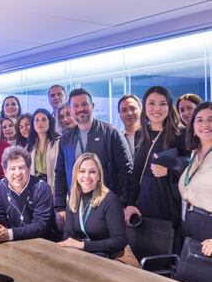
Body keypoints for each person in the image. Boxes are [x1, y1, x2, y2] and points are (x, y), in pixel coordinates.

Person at [54, 88, 133, 227]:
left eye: (84, 104)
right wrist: (60, 206)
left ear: (92, 106)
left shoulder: (111, 133)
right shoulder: (66, 139)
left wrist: (121, 203)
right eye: (75, 106)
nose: (80, 109)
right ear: (71, 110)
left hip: (106, 205)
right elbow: (60, 173)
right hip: (76, 205)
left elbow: (126, 170)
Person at [125, 86, 190, 253]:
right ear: (144, 107)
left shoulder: (180, 134)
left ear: (169, 107)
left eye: (162, 104)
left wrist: (170, 170)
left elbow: (191, 167)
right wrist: (130, 203)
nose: (157, 109)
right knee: (144, 253)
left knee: (167, 254)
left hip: (168, 204)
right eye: (151, 103)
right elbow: (136, 172)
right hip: (144, 205)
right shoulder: (141, 134)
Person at [58, 153, 128, 256]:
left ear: (99, 175)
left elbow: (119, 241)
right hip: (81, 255)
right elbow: (68, 235)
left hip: (107, 258)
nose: (86, 176)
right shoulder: (73, 196)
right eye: (82, 171)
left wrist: (83, 245)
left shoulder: (110, 200)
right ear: (76, 174)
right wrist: (79, 247)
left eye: (92, 172)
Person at [0, 146, 56, 244]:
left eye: (21, 167)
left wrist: (9, 234)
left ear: (29, 168)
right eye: (12, 168)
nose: (17, 173)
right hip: (14, 243)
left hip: (44, 244)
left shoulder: (42, 188)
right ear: (5, 172)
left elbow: (40, 225)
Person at [178, 102, 212, 257]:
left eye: (211, 119)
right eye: (199, 120)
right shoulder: (195, 153)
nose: (205, 124)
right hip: (190, 221)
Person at [26, 108, 60, 193]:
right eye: (36, 120)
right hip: (35, 188)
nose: (40, 123)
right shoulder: (29, 146)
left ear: (50, 122)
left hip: (54, 187)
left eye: (44, 120)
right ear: (33, 124)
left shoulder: (58, 142)